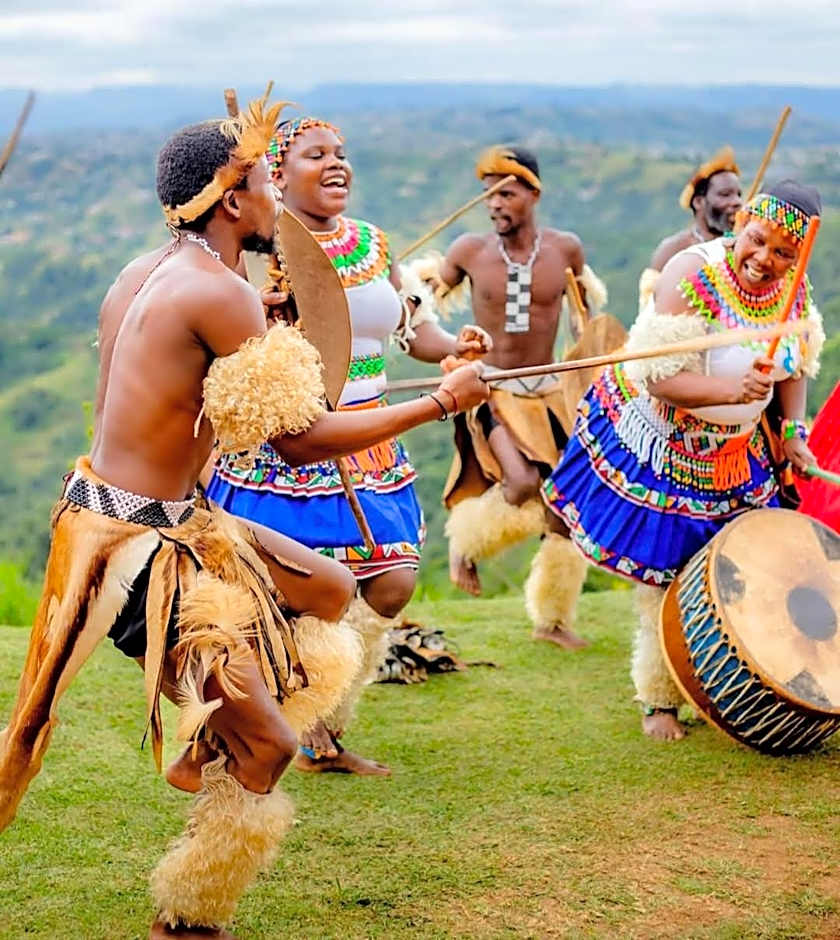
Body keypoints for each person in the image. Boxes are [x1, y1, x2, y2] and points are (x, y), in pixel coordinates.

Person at [0, 93, 489, 939]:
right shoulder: (220, 292)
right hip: (138, 550)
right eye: (265, 181)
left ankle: (216, 723)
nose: (276, 203)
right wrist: (441, 401)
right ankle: (190, 911)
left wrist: (265, 337)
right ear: (233, 201)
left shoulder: (147, 272)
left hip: (142, 514)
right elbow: (301, 443)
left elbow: (183, 388)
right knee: (270, 747)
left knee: (336, 589)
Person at [205, 115, 491, 776]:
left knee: (390, 584)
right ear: (275, 174)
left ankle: (321, 725)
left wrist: (457, 351)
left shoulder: (371, 244)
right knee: (275, 600)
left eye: (341, 153)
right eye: (315, 155)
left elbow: (412, 329)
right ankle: (252, 727)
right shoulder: (255, 252)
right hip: (287, 451)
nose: (337, 164)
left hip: (372, 444)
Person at [543, 180, 824, 741]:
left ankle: (724, 683)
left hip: (735, 453)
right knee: (665, 577)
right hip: (663, 442)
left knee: (738, 568)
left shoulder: (795, 291)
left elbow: (795, 361)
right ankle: (659, 697)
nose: (764, 260)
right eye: (757, 240)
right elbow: (660, 377)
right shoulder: (689, 274)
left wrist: (792, 429)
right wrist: (730, 391)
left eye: (783, 254)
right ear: (743, 222)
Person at [430, 144, 608, 649]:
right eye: (487, 194)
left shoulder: (565, 250)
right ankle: (464, 543)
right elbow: (420, 306)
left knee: (567, 508)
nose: (494, 203)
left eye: (505, 192)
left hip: (549, 391)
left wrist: (592, 370)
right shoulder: (468, 250)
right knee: (522, 481)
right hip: (490, 389)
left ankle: (551, 621)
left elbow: (585, 319)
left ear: (533, 193)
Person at [639, 146, 742, 309]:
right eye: (725, 194)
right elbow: (650, 309)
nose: (737, 202)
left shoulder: (742, 247)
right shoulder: (672, 249)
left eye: (738, 194)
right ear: (699, 202)